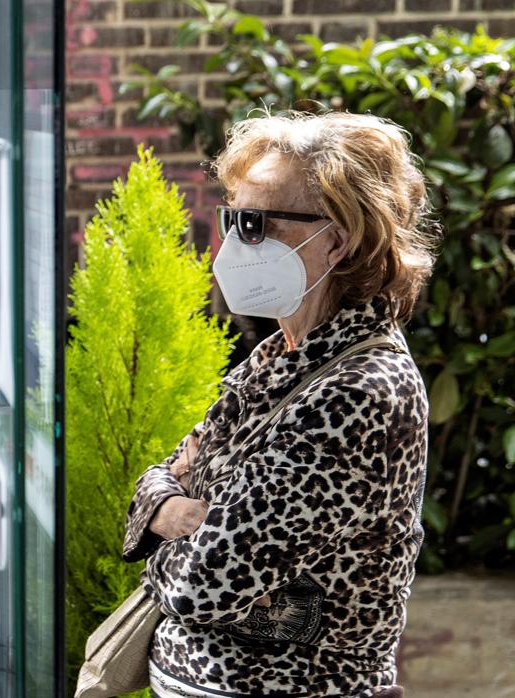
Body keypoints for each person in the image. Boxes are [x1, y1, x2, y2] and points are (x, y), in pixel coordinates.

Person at [122, 112, 437, 698]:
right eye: (230, 218)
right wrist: (165, 505)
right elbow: (167, 478)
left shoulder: (358, 393)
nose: (231, 242)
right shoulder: (282, 355)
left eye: (254, 223)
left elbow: (205, 586)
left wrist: (164, 528)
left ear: (338, 239)